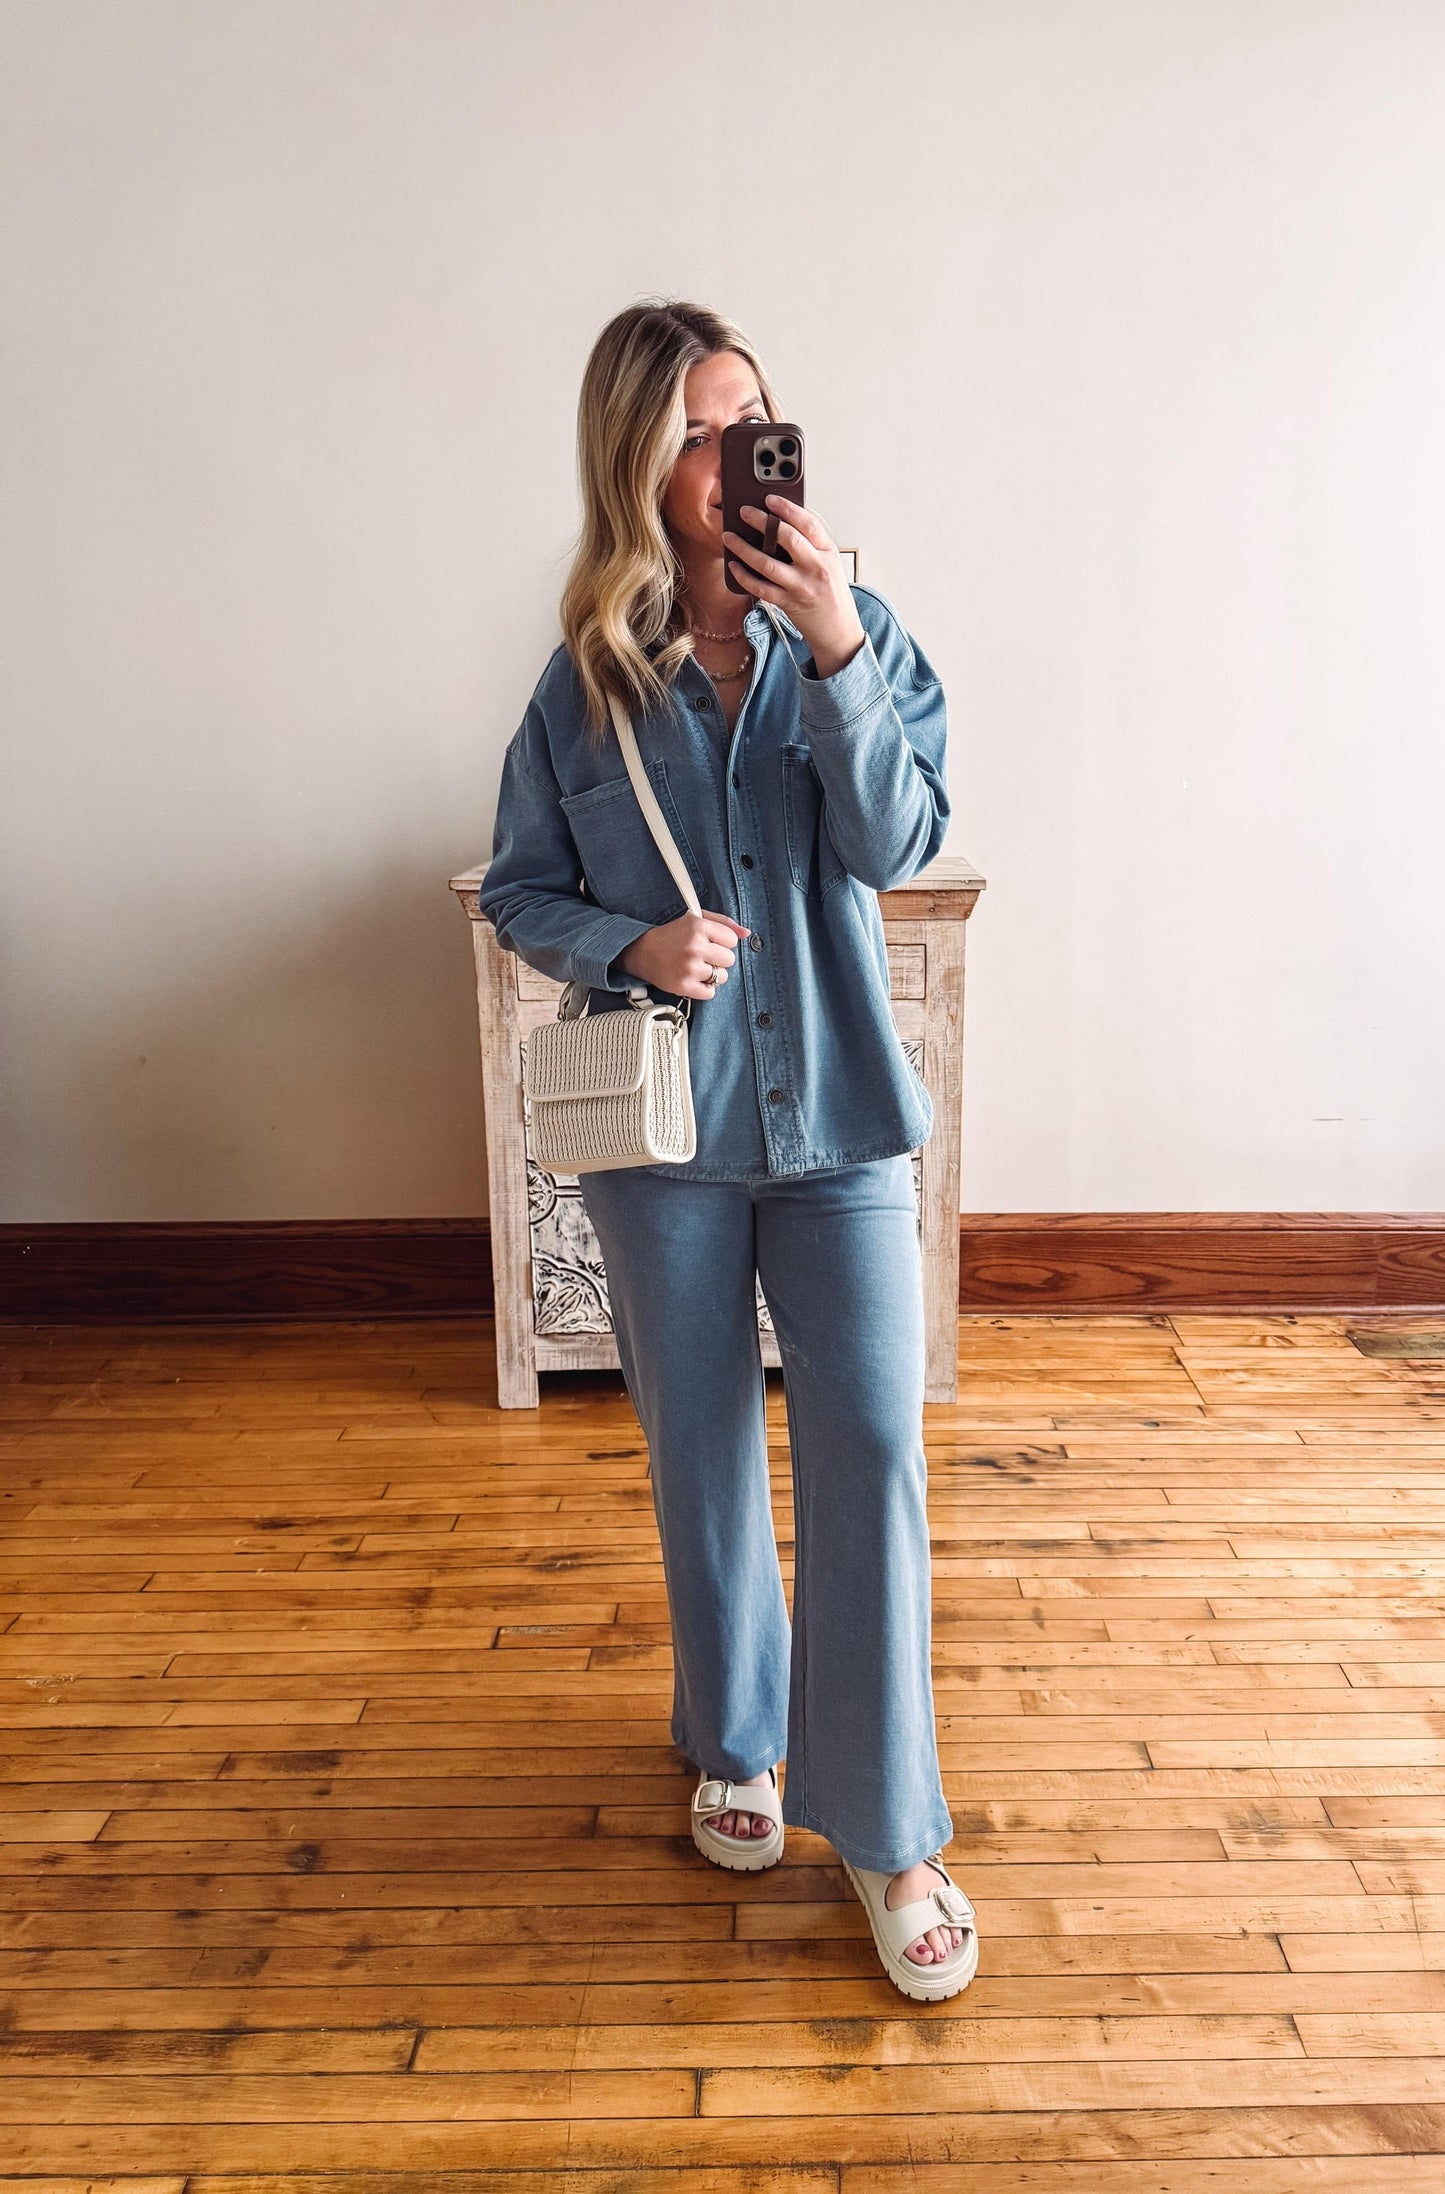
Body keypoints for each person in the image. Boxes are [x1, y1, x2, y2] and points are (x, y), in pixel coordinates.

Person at [480, 299, 976, 1999]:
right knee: (699, 1453)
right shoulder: (585, 682)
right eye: (700, 430)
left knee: (869, 1452)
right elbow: (522, 884)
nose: (735, 455)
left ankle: (893, 1828)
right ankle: (736, 1738)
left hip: (836, 1117)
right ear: (639, 464)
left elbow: (900, 835)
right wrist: (631, 947)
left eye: (754, 420)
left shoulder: (859, 631)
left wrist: (835, 642)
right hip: (665, 1139)